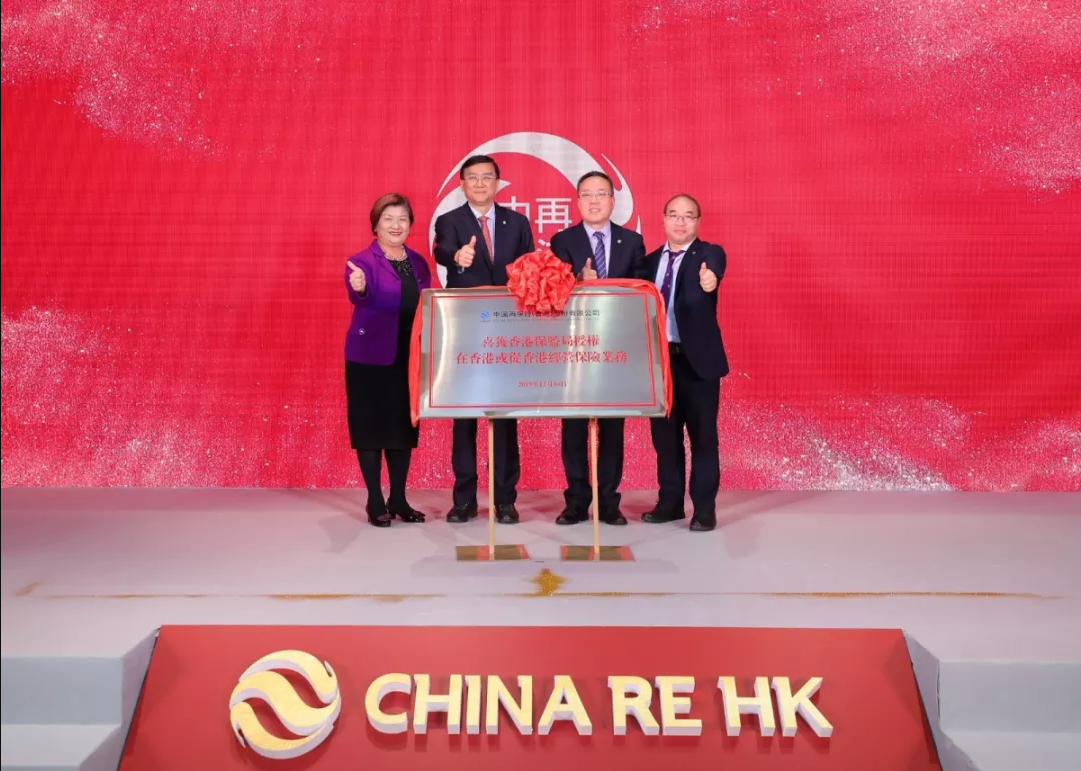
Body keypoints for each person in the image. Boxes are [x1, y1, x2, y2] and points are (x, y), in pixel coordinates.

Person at [433, 155, 535, 524]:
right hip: (466, 332)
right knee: (464, 418)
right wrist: (457, 257)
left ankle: (505, 500)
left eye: (486, 177)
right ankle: (464, 500)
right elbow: (442, 250)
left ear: (497, 183)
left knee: (504, 418)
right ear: (462, 183)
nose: (479, 183)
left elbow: (529, 269)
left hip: (508, 331)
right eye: (472, 177)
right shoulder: (450, 221)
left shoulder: (517, 222)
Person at [549, 171, 646, 526]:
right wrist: (577, 282)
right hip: (574, 349)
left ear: (612, 200)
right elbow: (551, 292)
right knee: (574, 429)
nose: (594, 201)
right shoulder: (563, 240)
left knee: (612, 428)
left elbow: (641, 291)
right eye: (587, 194)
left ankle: (608, 501)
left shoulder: (632, 241)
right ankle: (576, 501)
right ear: (577, 201)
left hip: (615, 349)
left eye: (601, 194)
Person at [344, 193, 433, 527]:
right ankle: (375, 499)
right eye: (388, 219)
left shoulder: (418, 263)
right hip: (369, 358)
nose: (396, 226)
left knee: (401, 429)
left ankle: (398, 498)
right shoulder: (362, 262)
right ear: (376, 224)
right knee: (370, 429)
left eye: (402, 219)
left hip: (408, 358)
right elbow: (360, 295)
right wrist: (360, 288)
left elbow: (426, 306)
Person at [640, 194, 728, 531]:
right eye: (674, 215)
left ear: (697, 222)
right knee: (665, 438)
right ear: (663, 219)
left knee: (703, 437)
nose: (680, 222)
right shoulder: (648, 262)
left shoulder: (707, 254)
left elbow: (715, 266)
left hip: (698, 364)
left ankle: (704, 509)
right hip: (659, 363)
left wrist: (711, 278)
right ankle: (670, 502)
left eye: (688, 216)